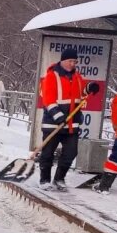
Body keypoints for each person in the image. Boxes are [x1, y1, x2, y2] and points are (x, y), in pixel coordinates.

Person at [38, 47, 99, 191]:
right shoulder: (52, 76)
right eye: (71, 61)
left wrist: (90, 87)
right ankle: (44, 179)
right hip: (54, 123)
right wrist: (59, 117)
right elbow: (48, 99)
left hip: (72, 123)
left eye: (75, 61)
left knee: (71, 152)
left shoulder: (77, 77)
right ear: (63, 60)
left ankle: (59, 178)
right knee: (48, 152)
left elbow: (82, 93)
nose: (73, 64)